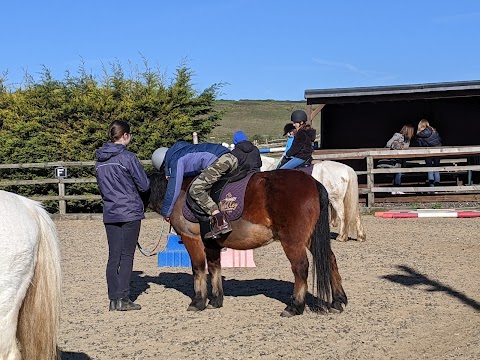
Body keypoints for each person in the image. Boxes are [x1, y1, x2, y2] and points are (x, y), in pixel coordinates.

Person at [95, 120, 150, 312]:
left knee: (113, 256)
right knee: (127, 256)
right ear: (125, 135)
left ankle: (113, 299)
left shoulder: (99, 161)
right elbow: (144, 185)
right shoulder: (128, 158)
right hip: (129, 211)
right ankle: (124, 298)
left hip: (110, 212)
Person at [151, 141, 238, 239]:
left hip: (220, 160)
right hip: (231, 158)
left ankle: (220, 219)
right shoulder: (185, 151)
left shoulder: (175, 160)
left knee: (196, 189)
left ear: (163, 164)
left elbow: (173, 189)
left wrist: (166, 212)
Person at [385, 124, 415, 194]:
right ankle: (397, 188)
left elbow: (406, 147)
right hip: (395, 159)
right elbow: (388, 144)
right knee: (398, 172)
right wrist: (398, 145)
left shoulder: (407, 139)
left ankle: (395, 189)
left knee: (398, 173)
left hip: (401, 158)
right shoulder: (397, 136)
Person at [412, 119, 442, 186]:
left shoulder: (419, 135)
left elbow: (420, 145)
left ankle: (431, 187)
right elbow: (439, 139)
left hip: (428, 151)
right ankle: (437, 186)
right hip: (438, 150)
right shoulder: (433, 131)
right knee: (437, 168)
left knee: (429, 168)